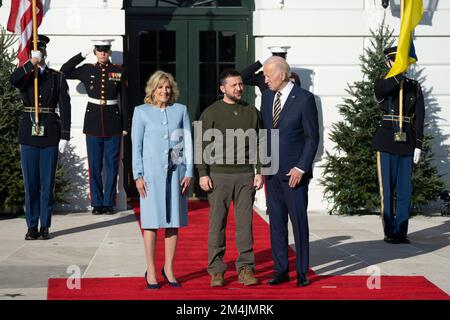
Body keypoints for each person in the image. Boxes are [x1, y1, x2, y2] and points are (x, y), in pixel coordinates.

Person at [196, 69, 264, 287]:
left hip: (245, 175)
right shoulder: (210, 112)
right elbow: (201, 145)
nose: (239, 88)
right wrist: (203, 174)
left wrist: (260, 171)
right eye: (234, 85)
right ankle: (216, 270)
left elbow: (261, 143)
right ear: (222, 88)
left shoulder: (252, 111)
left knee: (245, 225)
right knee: (218, 225)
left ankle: (246, 268)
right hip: (219, 176)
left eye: (241, 84)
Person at [260, 56, 319, 287]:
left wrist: (301, 167)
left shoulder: (305, 99)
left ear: (282, 75)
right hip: (271, 172)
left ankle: (302, 271)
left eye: (268, 75)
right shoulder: (266, 97)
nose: (264, 80)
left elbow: (312, 138)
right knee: (276, 224)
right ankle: (280, 270)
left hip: (295, 173)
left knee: (298, 222)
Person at [132, 71, 193, 289]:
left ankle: (168, 268)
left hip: (176, 174)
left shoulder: (180, 110)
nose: (164, 91)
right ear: (153, 89)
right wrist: (137, 175)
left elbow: (185, 142)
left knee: (173, 222)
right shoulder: (141, 112)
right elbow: (136, 146)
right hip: (150, 176)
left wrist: (188, 171)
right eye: (160, 87)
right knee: (150, 222)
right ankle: (150, 269)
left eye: (167, 87)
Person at [10, 35, 71, 240]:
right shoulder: (26, 76)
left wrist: (64, 136)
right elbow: (13, 80)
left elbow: (65, 106)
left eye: (41, 51)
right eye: (36, 51)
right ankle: (31, 226)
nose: (39, 54)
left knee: (47, 183)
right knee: (31, 184)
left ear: (46, 52)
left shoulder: (57, 77)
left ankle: (45, 225)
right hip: (29, 133)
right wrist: (30, 65)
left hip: (50, 133)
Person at [60, 39, 128, 215]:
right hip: (93, 123)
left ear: (110, 52)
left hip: (114, 123)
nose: (103, 53)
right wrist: (83, 54)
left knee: (112, 166)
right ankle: (97, 203)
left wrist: (125, 124)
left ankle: (109, 203)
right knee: (95, 165)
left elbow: (125, 99)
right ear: (95, 52)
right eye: (99, 50)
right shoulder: (87, 70)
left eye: (105, 50)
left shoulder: (119, 71)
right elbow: (64, 71)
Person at [372, 46, 425, 244]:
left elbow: (419, 117)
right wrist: (398, 75)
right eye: (395, 61)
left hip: (407, 142)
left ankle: (401, 231)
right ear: (388, 63)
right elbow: (382, 91)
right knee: (387, 190)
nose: (398, 64)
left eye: (401, 61)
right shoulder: (383, 83)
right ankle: (389, 231)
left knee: (404, 190)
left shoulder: (414, 86)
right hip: (386, 141)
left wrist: (418, 144)